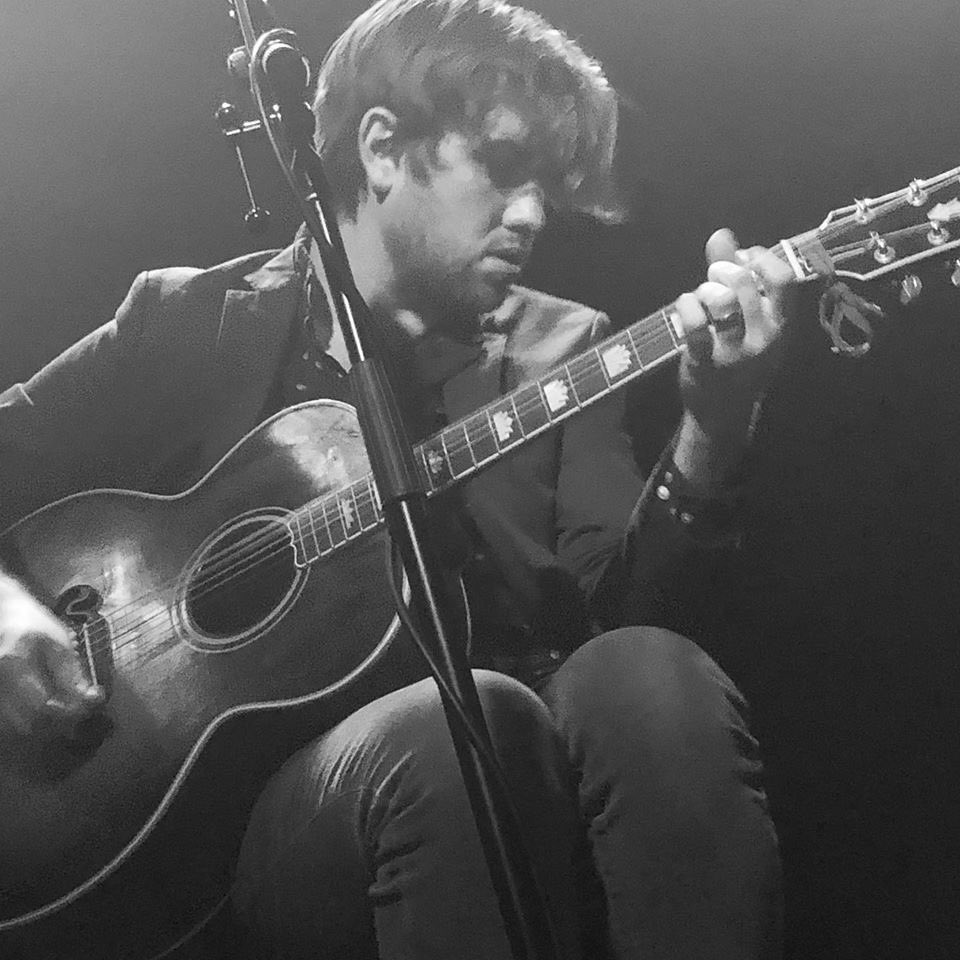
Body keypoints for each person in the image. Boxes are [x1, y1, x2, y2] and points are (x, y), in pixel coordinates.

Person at [0, 1, 796, 957]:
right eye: (504, 170)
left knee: (648, 677)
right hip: (243, 843)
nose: (534, 215)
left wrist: (716, 423)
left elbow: (631, 615)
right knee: (457, 733)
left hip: (507, 757)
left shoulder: (559, 351)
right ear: (381, 149)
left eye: (546, 187)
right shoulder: (190, 323)